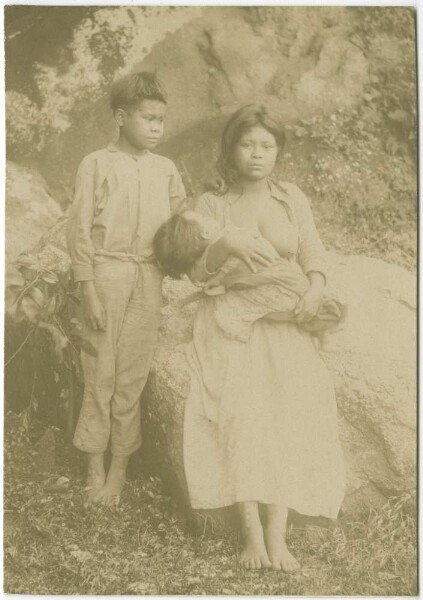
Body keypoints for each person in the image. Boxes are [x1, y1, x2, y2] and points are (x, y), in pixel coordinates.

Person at [181, 105, 346, 571]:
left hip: (288, 320)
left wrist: (314, 289)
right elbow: (196, 272)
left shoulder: (290, 198)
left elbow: (312, 249)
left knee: (294, 409)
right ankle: (252, 532)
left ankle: (279, 532)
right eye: (248, 144)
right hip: (234, 324)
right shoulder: (213, 203)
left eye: (267, 145)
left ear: (278, 152)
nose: (257, 154)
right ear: (231, 150)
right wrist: (224, 245)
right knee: (243, 411)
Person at [66, 71, 186, 506]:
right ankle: (93, 465)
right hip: (107, 273)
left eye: (161, 119)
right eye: (147, 118)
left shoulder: (166, 169)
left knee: (131, 376)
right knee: (100, 372)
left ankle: (119, 469)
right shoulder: (96, 163)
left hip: (148, 278)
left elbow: (179, 227)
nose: (156, 127)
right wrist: (88, 290)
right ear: (121, 117)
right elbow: (78, 230)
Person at [153, 210, 346, 345]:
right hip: (270, 286)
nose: (208, 217)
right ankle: (323, 327)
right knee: (296, 300)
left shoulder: (210, 253)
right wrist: (230, 242)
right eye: (203, 217)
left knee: (296, 300)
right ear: (204, 233)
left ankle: (322, 328)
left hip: (272, 281)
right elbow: (208, 265)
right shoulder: (219, 245)